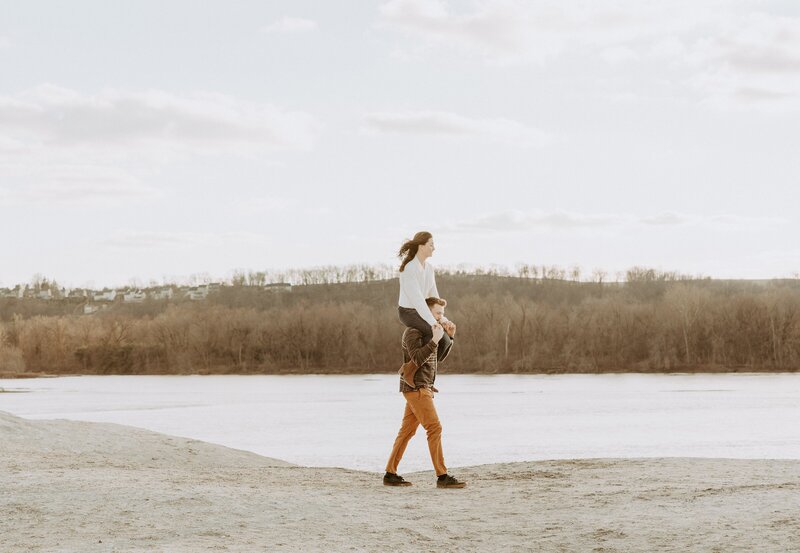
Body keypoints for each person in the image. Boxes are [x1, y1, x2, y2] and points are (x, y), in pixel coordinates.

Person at [384, 297, 466, 489]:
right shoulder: (412, 332)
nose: (441, 317)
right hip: (417, 389)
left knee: (406, 432)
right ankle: (442, 476)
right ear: (426, 312)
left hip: (422, 387)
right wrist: (436, 339)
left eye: (442, 314)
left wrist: (449, 338)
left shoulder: (430, 331)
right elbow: (418, 358)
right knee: (434, 428)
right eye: (438, 313)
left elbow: (435, 359)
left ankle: (390, 473)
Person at [397, 232, 453, 364]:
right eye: (431, 244)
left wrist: (441, 317)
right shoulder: (409, 269)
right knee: (442, 338)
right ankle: (411, 371)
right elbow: (418, 301)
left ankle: (426, 375)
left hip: (423, 310)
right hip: (408, 312)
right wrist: (434, 323)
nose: (434, 248)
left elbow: (433, 295)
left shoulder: (429, 268)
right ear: (421, 246)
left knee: (444, 340)